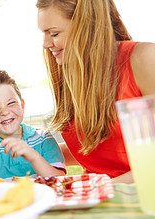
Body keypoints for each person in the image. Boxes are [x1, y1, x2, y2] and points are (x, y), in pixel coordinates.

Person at [36, 0, 155, 183]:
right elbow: (99, 153)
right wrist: (35, 151)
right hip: (96, 202)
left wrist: (96, 189)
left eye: (54, 33)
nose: (45, 43)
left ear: (86, 25)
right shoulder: (70, 73)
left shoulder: (145, 59)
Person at [0, 70, 65, 182]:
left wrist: (34, 157)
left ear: (22, 106)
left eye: (11, 103)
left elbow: (60, 181)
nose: (5, 112)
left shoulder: (43, 138)